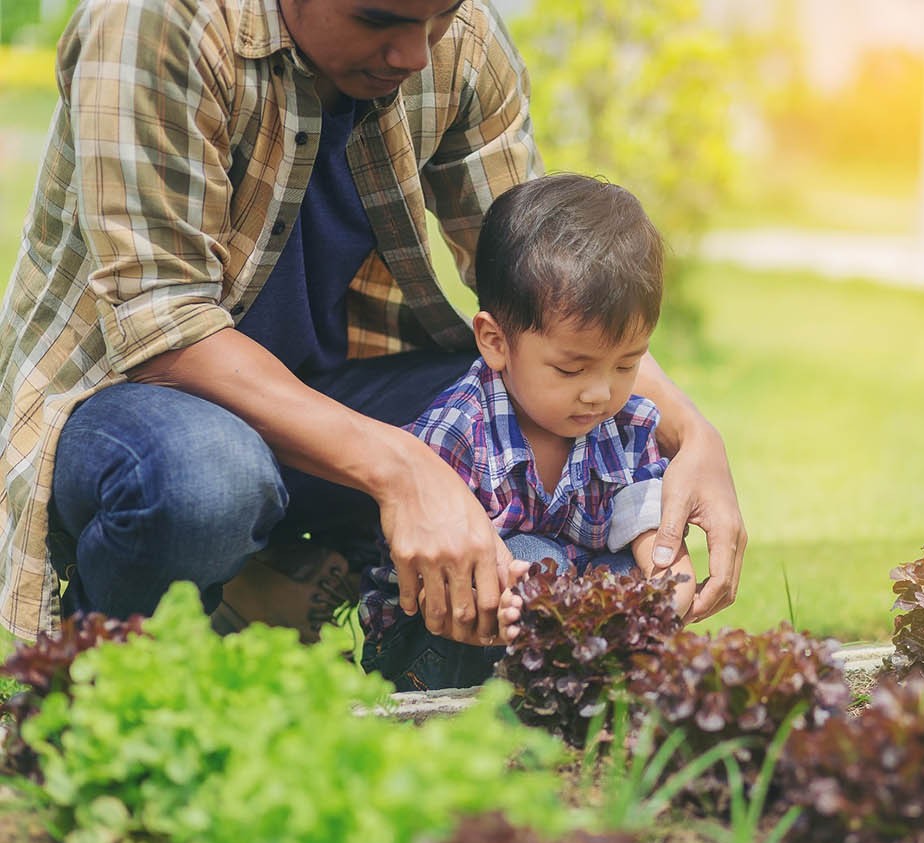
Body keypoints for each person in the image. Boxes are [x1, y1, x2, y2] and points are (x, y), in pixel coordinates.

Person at [0, 0, 746, 647]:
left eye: (439, 17)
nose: (415, 53)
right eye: (377, 18)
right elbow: (162, 329)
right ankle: (102, 677)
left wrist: (689, 431)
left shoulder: (461, 43)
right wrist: (403, 466)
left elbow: (546, 291)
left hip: (325, 391)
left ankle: (296, 588)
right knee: (209, 480)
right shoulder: (157, 24)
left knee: (535, 408)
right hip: (126, 407)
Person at [359, 173, 696, 690]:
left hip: (553, 637)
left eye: (626, 364)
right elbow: (434, 578)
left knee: (616, 574)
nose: (599, 393)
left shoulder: (626, 422)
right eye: (571, 368)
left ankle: (593, 696)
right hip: (437, 639)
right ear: (495, 341)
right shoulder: (458, 432)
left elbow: (649, 525)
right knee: (538, 562)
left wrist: (664, 585)